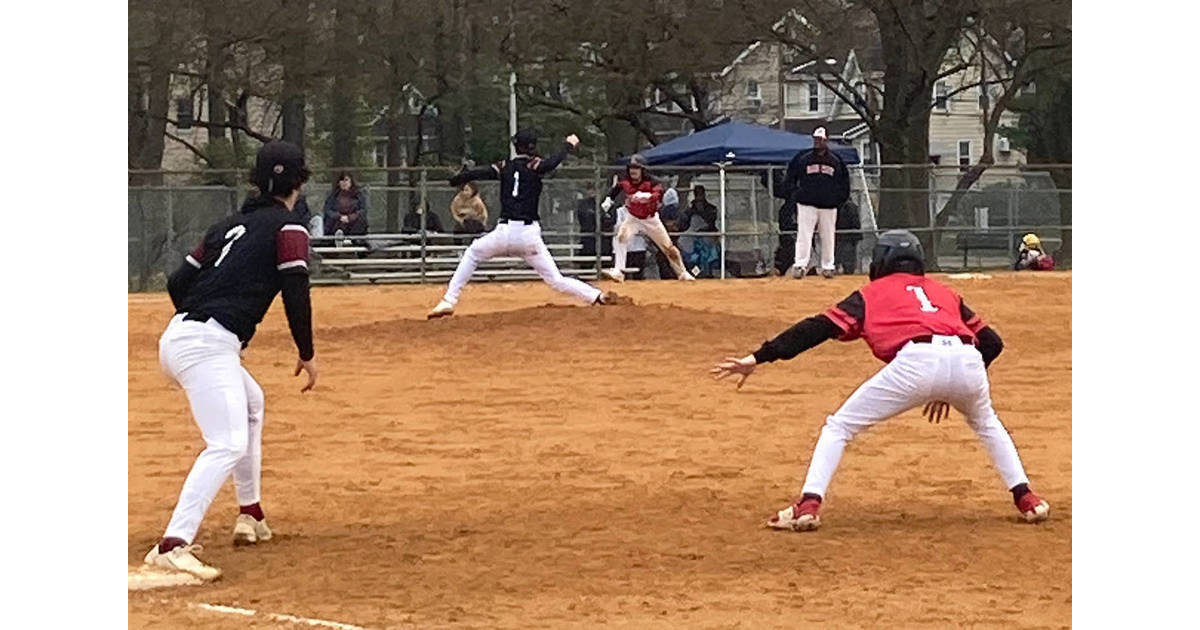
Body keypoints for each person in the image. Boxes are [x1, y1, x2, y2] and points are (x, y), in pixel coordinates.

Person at [711, 229, 1050, 532]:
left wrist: (759, 356)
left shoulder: (871, 293)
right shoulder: (943, 291)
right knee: (988, 423)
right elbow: (992, 343)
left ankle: (808, 505)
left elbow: (817, 328)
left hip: (917, 360)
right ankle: (1027, 498)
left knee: (839, 427)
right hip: (968, 360)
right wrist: (955, 383)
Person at [144, 140, 319, 581]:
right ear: (297, 183)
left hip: (183, 334)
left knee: (251, 403)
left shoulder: (227, 226)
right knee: (226, 443)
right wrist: (307, 351)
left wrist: (199, 320)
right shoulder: (290, 228)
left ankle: (251, 514)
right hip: (206, 343)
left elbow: (179, 279)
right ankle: (173, 544)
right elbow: (296, 289)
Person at [426, 129, 629, 318]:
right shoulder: (535, 165)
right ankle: (597, 296)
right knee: (556, 280)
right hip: (528, 236)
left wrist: (456, 179)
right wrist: (568, 145)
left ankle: (448, 300)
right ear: (533, 147)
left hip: (503, 232)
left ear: (516, 146)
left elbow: (478, 173)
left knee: (472, 254)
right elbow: (551, 163)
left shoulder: (504, 166)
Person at [598, 154, 695, 282]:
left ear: (643, 170)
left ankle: (682, 272)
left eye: (637, 168)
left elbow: (659, 194)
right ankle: (618, 271)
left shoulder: (652, 182)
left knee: (668, 247)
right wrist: (608, 201)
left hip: (651, 219)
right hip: (633, 217)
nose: (633, 171)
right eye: (631, 167)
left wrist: (646, 196)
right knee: (621, 237)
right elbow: (615, 190)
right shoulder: (626, 181)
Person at [782, 127, 850, 279]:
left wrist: (838, 199)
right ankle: (800, 265)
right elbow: (790, 178)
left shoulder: (835, 161)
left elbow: (844, 183)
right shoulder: (803, 158)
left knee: (828, 236)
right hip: (807, 203)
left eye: (820, 139)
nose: (817, 142)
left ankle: (828, 266)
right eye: (815, 139)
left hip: (828, 205)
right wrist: (795, 194)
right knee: (804, 235)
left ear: (826, 140)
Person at [575, 182, 614, 263]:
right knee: (586, 263)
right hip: (588, 238)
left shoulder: (605, 203)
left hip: (604, 239)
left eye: (595, 190)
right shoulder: (583, 204)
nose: (592, 192)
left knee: (606, 263)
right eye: (590, 189)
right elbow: (584, 219)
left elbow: (610, 220)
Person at [323, 171, 369, 238]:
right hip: (338, 222)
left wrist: (350, 218)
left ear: (351, 182)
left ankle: (355, 240)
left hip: (353, 222)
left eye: (346, 180)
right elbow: (328, 210)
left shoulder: (359, 195)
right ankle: (337, 239)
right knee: (331, 221)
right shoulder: (333, 196)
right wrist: (339, 217)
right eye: (341, 180)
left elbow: (363, 210)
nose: (344, 182)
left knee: (361, 221)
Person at [613, 205, 648, 279]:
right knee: (623, 272)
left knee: (639, 273)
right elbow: (618, 226)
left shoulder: (641, 211)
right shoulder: (620, 211)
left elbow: (644, 227)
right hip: (624, 248)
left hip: (639, 247)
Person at [834, 199, 863, 274]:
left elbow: (855, 222)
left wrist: (857, 235)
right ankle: (839, 267)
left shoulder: (849, 206)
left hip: (848, 236)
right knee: (841, 254)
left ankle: (846, 268)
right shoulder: (838, 205)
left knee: (848, 255)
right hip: (840, 235)